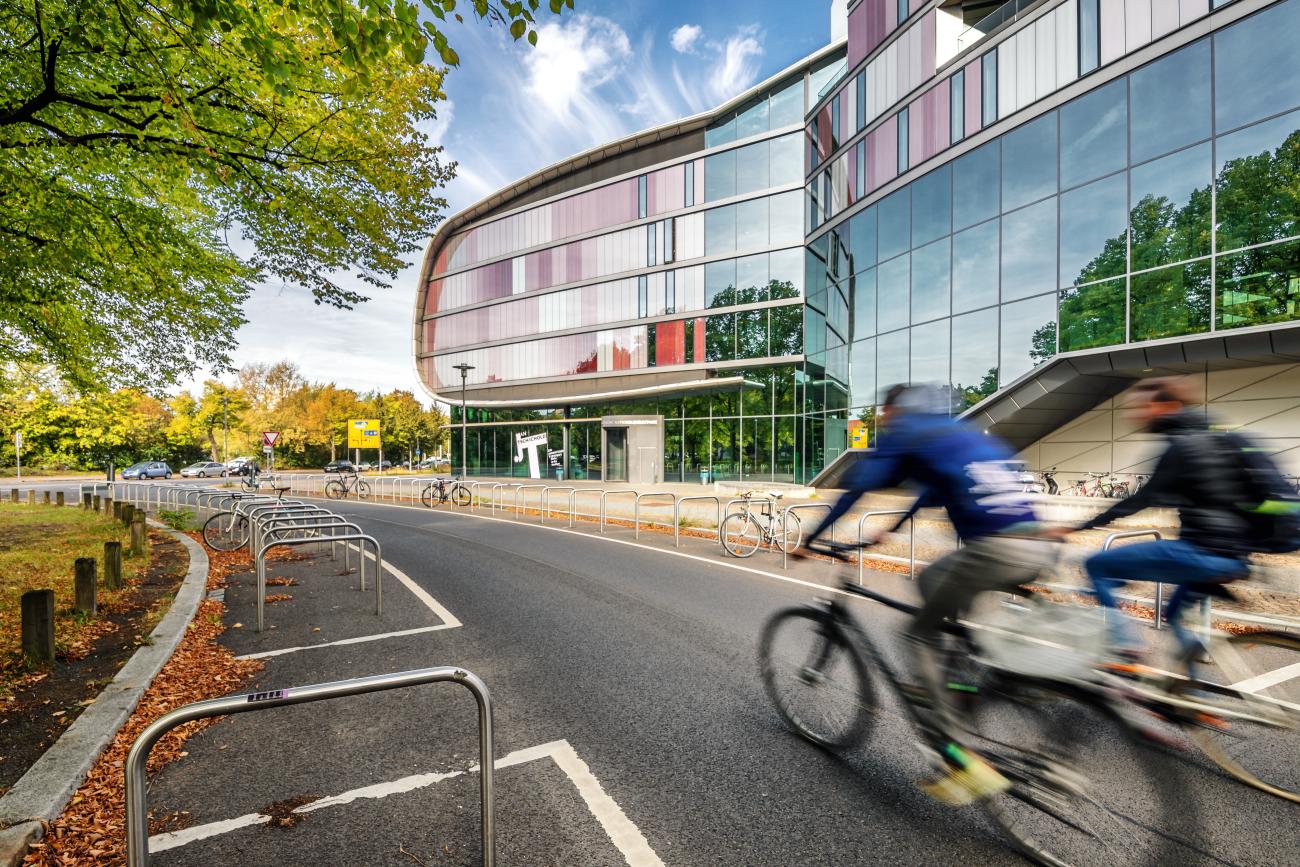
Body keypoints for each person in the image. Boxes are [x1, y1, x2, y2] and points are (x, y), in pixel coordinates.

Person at [796, 383, 1059, 805]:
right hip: (1038, 546)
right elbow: (931, 492)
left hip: (994, 550)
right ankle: (963, 676)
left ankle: (955, 753)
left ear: (893, 410)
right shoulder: (961, 433)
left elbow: (857, 488)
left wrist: (811, 538)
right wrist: (892, 529)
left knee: (917, 630)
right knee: (939, 593)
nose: (881, 419)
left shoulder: (905, 431)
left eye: (883, 413)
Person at [1049, 378, 1252, 661]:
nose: (1135, 414)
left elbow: (1140, 500)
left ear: (1168, 406)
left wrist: (1077, 526)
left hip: (1200, 552)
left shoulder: (1181, 447)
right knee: (1172, 616)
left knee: (1097, 565)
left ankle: (1127, 649)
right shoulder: (1218, 440)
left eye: (1143, 407)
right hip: (1233, 556)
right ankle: (1185, 694)